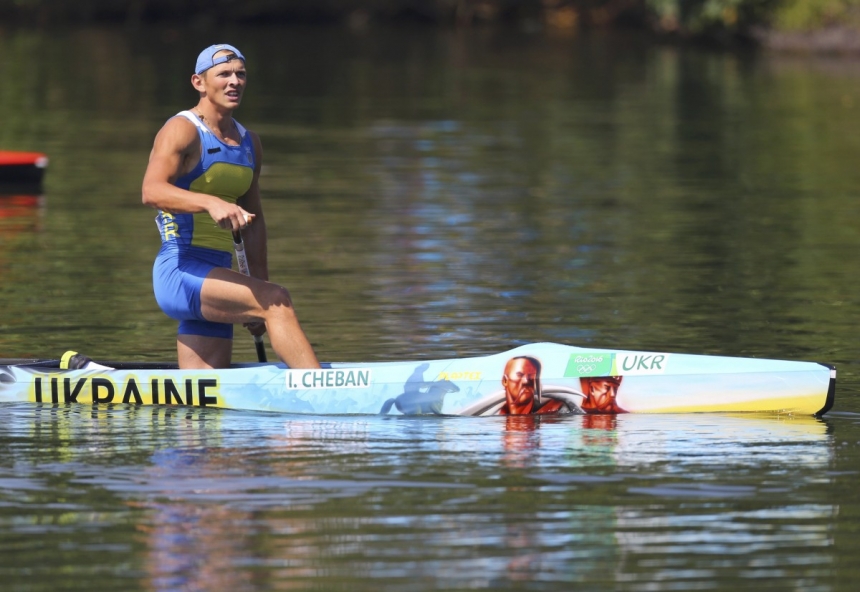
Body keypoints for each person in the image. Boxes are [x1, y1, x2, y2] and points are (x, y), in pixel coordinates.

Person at [142, 43, 320, 370]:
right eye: (223, 74)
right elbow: (151, 190)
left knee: (202, 402)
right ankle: (322, 394)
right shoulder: (182, 130)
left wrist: (257, 281)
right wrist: (210, 202)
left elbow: (256, 221)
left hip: (219, 275)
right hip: (180, 271)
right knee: (277, 302)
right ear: (199, 82)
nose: (234, 81)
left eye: (240, 74)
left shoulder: (250, 143)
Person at [498, 356, 565, 415]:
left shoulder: (555, 409)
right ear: (505, 381)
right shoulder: (495, 413)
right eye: (520, 375)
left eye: (531, 376)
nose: (526, 381)